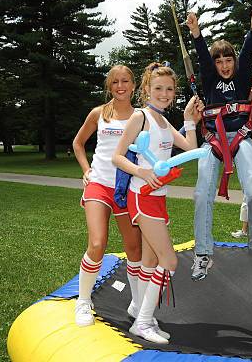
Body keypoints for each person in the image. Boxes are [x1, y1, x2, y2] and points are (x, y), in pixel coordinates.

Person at [112, 62, 204, 344]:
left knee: (151, 261)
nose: (164, 93)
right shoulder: (140, 117)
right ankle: (141, 322)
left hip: (158, 199)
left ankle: (144, 315)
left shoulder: (163, 121)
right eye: (158, 88)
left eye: (169, 89)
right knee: (170, 260)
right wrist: (142, 171)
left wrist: (190, 120)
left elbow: (190, 147)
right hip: (141, 197)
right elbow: (118, 156)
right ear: (146, 90)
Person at [185, 9, 252, 279]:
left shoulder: (240, 76)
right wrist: (195, 33)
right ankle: (203, 254)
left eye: (229, 60)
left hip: (241, 136)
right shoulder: (210, 79)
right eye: (219, 61)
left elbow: (248, 54)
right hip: (213, 141)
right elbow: (201, 57)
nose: (224, 66)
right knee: (202, 194)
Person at [72, 65, 147, 327]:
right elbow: (78, 143)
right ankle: (83, 301)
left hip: (127, 188)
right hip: (100, 185)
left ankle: (137, 302)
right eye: (115, 82)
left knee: (134, 248)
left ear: (134, 85)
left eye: (125, 80)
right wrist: (86, 170)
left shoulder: (142, 117)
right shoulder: (99, 113)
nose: (120, 86)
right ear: (109, 86)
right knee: (97, 243)